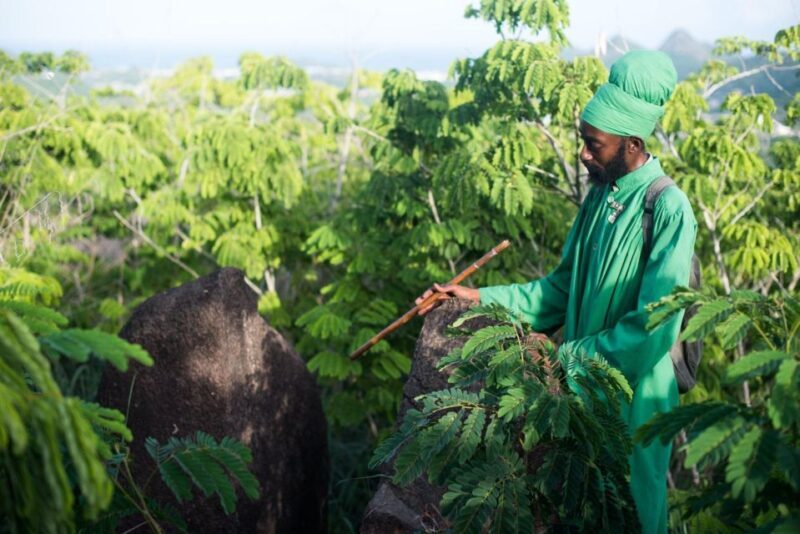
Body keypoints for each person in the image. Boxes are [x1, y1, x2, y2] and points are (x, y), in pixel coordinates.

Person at [416, 50, 697, 534]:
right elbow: (558, 290)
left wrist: (570, 356)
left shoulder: (669, 210)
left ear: (632, 143)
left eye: (594, 145)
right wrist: (480, 298)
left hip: (638, 404)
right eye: (583, 142)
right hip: (581, 395)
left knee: (631, 514)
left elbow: (653, 328)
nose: (584, 154)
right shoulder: (599, 197)